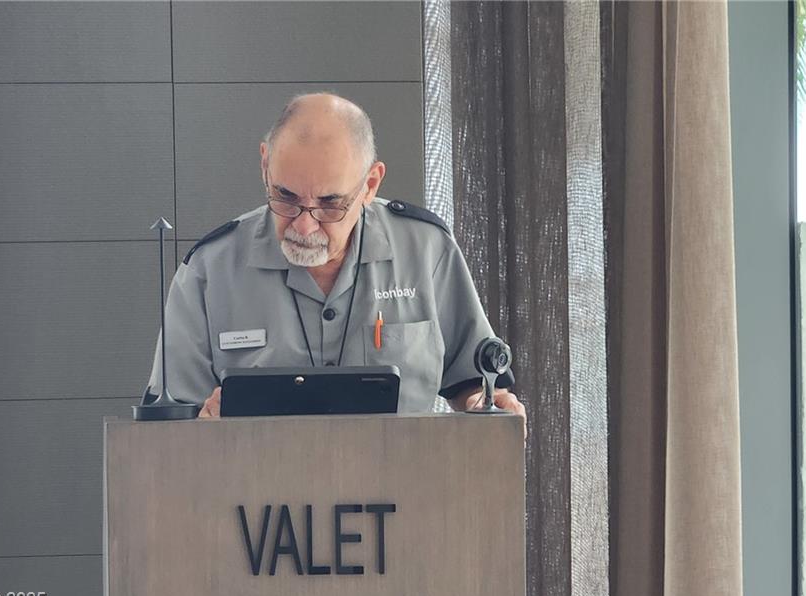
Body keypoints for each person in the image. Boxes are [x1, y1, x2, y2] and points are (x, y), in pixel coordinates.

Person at [141, 92, 524, 423]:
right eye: (286, 197)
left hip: (402, 499)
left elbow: (474, 381)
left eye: (330, 204)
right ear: (264, 166)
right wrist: (204, 429)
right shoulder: (208, 271)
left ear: (370, 184)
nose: (304, 227)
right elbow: (168, 426)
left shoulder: (427, 250)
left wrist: (484, 403)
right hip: (255, 501)